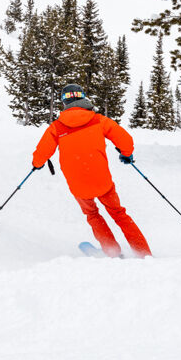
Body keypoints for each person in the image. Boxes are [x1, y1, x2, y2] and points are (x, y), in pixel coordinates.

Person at [31, 84, 152, 258]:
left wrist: (37, 164)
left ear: (64, 102)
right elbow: (125, 140)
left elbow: (41, 153)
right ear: (83, 98)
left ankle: (113, 253)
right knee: (119, 214)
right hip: (102, 181)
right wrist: (126, 154)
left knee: (92, 214)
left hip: (78, 185)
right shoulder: (98, 120)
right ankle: (143, 253)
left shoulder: (57, 127)